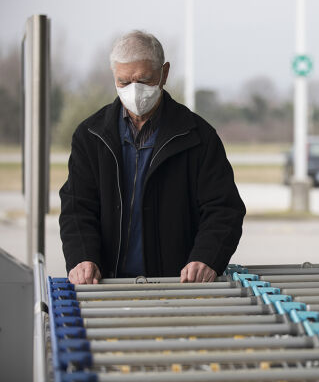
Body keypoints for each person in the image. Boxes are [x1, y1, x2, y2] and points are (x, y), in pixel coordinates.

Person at [59, 30, 245, 284]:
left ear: (164, 73)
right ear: (114, 76)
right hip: (105, 286)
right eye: (124, 82)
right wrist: (82, 257)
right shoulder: (90, 136)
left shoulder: (199, 137)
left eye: (145, 80)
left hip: (178, 287)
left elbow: (223, 209)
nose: (134, 91)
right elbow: (77, 207)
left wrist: (207, 258)